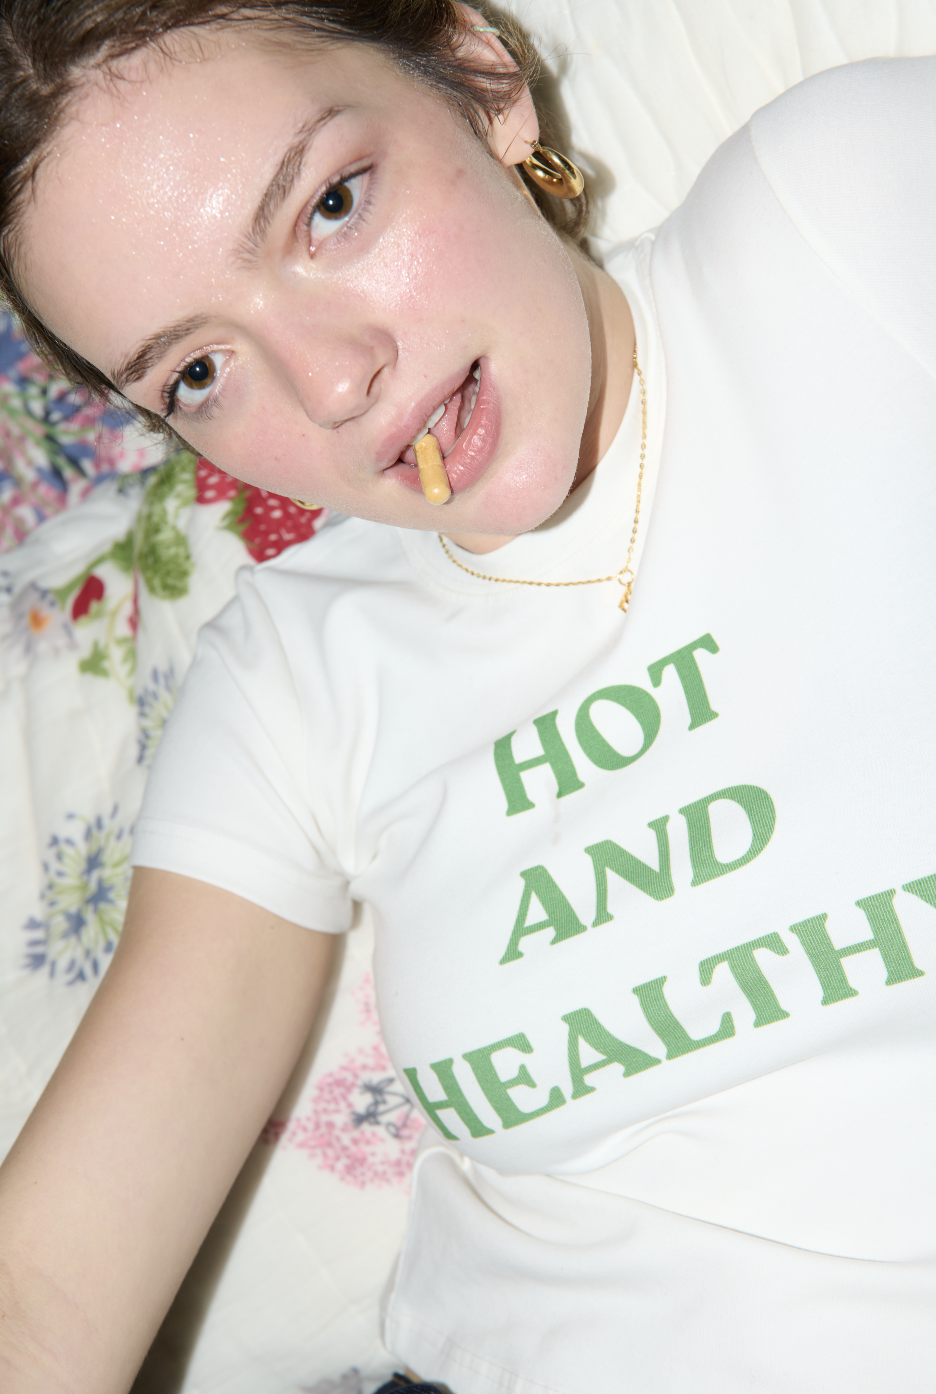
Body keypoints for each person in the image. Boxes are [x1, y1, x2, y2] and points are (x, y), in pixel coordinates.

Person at [0, 1, 935, 1391]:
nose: (333, 382)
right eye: (198, 371)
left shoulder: (836, 214)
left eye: (329, 206)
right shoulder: (290, 674)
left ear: (483, 80)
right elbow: (47, 1287)